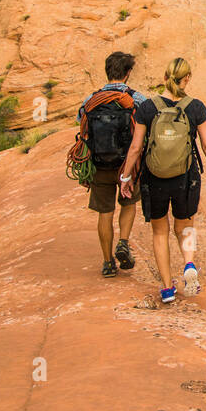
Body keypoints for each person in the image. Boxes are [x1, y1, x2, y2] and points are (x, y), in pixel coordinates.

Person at [118, 57, 206, 304]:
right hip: (186, 176)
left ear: (165, 77)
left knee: (160, 231)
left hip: (155, 177)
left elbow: (135, 147)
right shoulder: (195, 107)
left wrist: (126, 176)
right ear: (187, 79)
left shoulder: (147, 108)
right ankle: (188, 263)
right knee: (185, 225)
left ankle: (166, 288)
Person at [77, 51, 146, 278]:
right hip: (128, 165)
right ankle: (123, 242)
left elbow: (81, 124)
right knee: (128, 204)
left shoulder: (91, 101)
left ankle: (107, 263)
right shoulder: (137, 100)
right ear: (127, 74)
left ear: (107, 71)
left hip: (99, 165)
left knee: (104, 212)